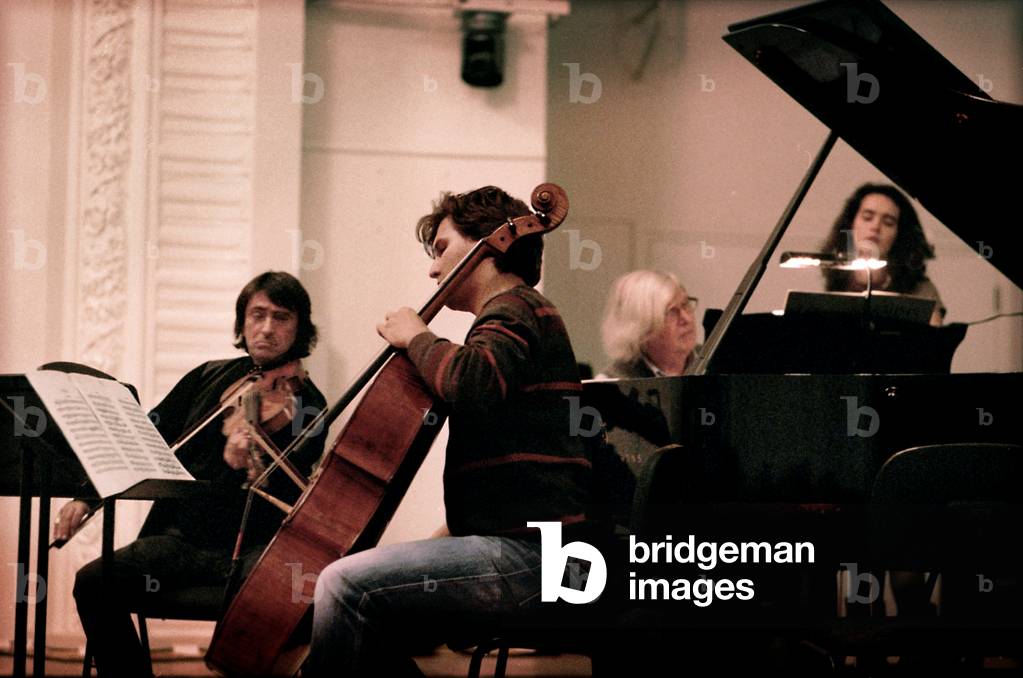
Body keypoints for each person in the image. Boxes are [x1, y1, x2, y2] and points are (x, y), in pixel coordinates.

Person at [303, 186, 594, 677]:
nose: (433, 270)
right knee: (365, 614)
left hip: (541, 560)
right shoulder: (515, 314)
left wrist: (417, 336)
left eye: (441, 249)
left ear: (489, 243)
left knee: (344, 586)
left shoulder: (515, 308)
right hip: (537, 553)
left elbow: (471, 382)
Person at [54, 271, 328, 678]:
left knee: (283, 597)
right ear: (242, 323)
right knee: (93, 582)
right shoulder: (208, 376)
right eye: (258, 315)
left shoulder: (309, 404)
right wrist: (87, 497)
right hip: (182, 540)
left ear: (300, 328)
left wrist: (249, 462)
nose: (267, 328)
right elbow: (143, 439)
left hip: (254, 549)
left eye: (281, 317)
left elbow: (291, 477)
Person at [821, 183, 945, 325]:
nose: (875, 227)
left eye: (888, 222)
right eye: (867, 218)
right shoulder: (837, 279)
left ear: (899, 234)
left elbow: (934, 335)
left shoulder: (921, 290)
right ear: (851, 224)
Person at [598, 269, 699, 378]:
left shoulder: (711, 359)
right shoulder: (612, 383)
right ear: (642, 328)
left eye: (685, 304)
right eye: (671, 312)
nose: (687, 318)